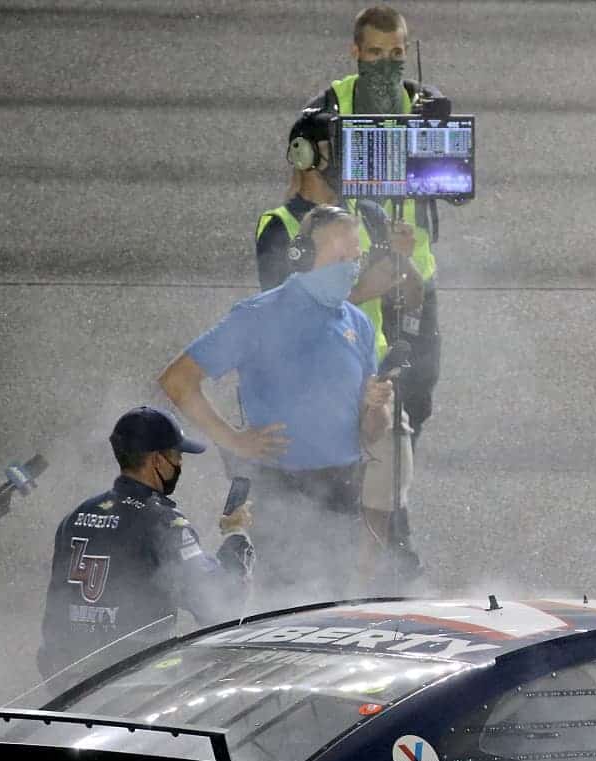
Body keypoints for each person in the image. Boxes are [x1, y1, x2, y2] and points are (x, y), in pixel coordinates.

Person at [159, 205, 393, 603]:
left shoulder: (358, 323)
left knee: (334, 606)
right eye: (340, 258)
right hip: (281, 492)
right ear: (302, 256)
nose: (351, 268)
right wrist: (234, 441)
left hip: (342, 488)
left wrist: (376, 407)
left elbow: (371, 430)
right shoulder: (258, 316)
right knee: (285, 608)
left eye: (355, 259)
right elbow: (178, 381)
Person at [256, 107, 422, 580]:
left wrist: (404, 264)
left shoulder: (368, 215)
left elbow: (411, 296)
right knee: (313, 523)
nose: (353, 162)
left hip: (373, 384)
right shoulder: (280, 225)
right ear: (305, 155)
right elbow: (281, 309)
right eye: (341, 150)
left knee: (384, 511)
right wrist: (365, 287)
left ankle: (368, 599)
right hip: (309, 392)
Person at [301, 3, 454, 443]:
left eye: (396, 52)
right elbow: (304, 194)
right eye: (375, 53)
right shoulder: (326, 109)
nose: (386, 62)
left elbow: (454, 189)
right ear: (355, 51)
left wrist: (436, 135)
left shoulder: (429, 105)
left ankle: (398, 478)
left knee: (419, 391)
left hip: (415, 279)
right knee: (355, 386)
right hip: (356, 278)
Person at [37, 407, 253, 685]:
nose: (180, 464)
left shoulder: (77, 515)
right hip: (134, 689)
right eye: (177, 455)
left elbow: (55, 611)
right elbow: (220, 605)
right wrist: (235, 535)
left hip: (69, 683)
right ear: (157, 460)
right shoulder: (162, 522)